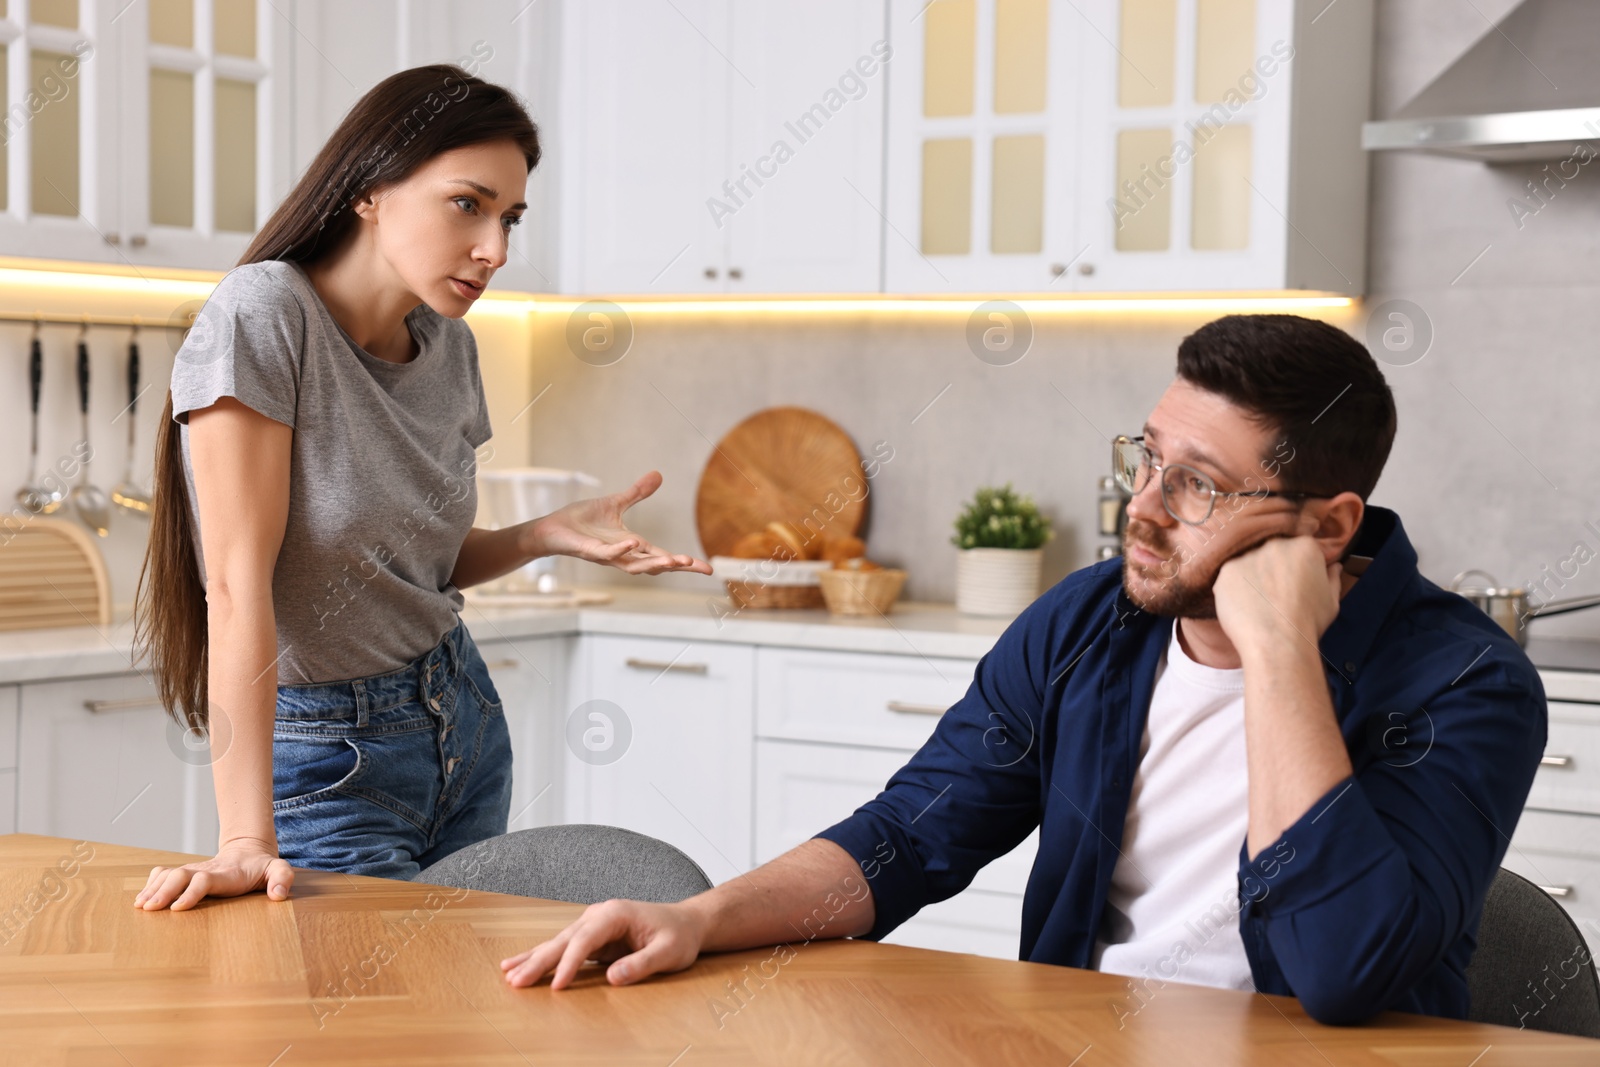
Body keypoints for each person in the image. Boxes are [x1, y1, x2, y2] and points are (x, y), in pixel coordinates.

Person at [500, 314, 1547, 1026]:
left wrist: (1277, 649)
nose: (1139, 505)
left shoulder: (1465, 682)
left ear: (1328, 526)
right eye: (1146, 457)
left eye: (1197, 486)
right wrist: (701, 917)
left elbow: (1341, 971)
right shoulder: (1089, 622)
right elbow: (905, 839)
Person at [130, 64, 710, 911]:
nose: (496, 249)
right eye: (468, 204)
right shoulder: (264, 316)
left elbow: (410, 573)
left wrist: (544, 532)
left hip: (461, 720)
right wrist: (246, 841)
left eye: (509, 218)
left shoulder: (448, 347)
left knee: (455, 1019)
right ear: (371, 187)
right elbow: (233, 584)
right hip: (330, 759)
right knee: (352, 1030)